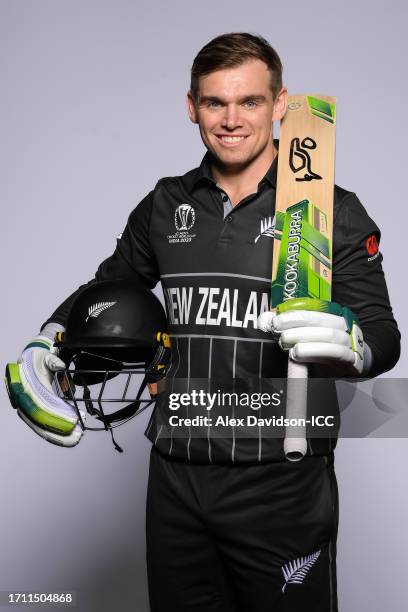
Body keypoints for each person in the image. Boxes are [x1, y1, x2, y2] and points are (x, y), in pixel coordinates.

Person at [7, 33, 400, 611]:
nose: (232, 119)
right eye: (215, 103)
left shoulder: (330, 211)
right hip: (176, 474)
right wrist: (50, 339)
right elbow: (106, 289)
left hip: (278, 477)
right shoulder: (165, 205)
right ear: (191, 107)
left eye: (250, 102)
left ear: (280, 103)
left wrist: (358, 348)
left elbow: (384, 336)